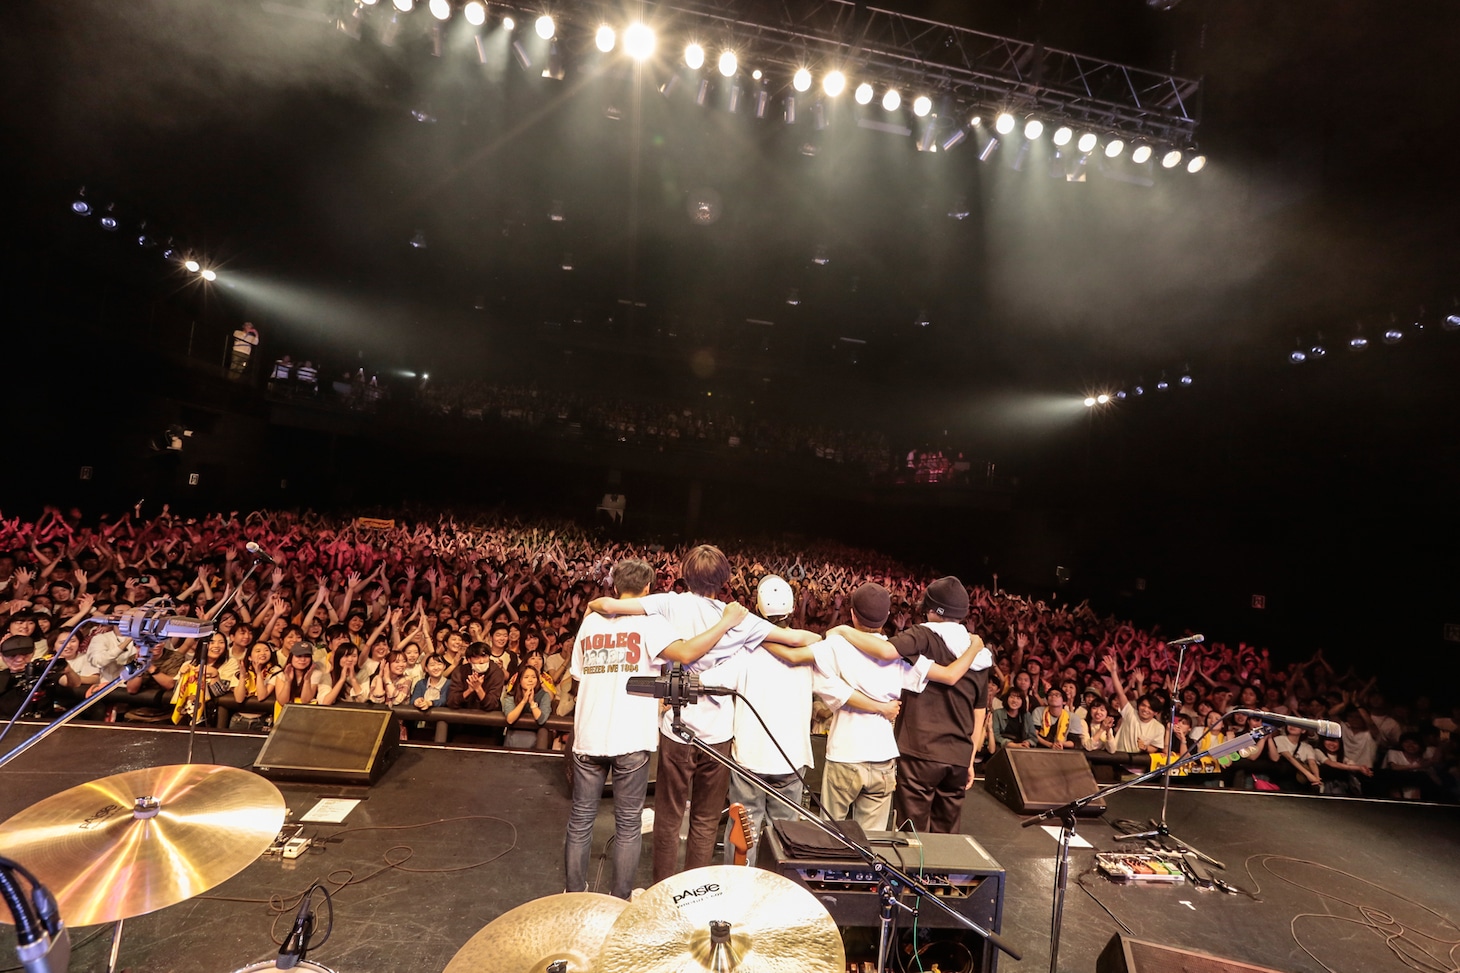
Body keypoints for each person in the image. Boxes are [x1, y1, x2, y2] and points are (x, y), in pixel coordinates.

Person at [585, 544, 819, 882]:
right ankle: (692, 889)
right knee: (706, 820)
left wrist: (594, 605)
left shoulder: (669, 602)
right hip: (718, 734)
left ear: (685, 574)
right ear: (724, 579)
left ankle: (663, 887)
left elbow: (608, 605)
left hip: (676, 729)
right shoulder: (739, 618)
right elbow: (797, 638)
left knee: (668, 816)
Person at [566, 558, 748, 900]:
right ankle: (620, 898)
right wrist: (725, 622)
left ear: (616, 586)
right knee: (628, 825)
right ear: (648, 588)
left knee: (580, 820)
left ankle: (573, 893)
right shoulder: (649, 623)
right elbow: (688, 651)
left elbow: (577, 674)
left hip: (587, 734)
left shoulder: (590, 623)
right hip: (630, 737)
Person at [827, 576, 992, 833]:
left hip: (919, 752)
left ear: (931, 608)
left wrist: (844, 629)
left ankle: (913, 876)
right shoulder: (980, 654)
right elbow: (979, 713)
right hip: (958, 755)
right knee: (947, 837)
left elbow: (884, 651)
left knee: (911, 835)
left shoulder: (923, 635)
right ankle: (941, 875)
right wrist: (969, 760)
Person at [700, 576, 818, 865]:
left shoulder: (745, 652)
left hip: (750, 758)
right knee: (786, 834)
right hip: (792, 759)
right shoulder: (811, 654)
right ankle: (781, 890)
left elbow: (706, 680)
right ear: (792, 610)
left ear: (756, 609)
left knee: (743, 829)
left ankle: (738, 888)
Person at [501, 665, 552, 749]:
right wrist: (524, 701)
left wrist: (532, 703)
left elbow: (541, 719)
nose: (530, 680)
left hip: (536, 734)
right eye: (526, 677)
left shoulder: (544, 695)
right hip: (514, 734)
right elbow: (510, 719)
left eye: (534, 677)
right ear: (520, 681)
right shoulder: (511, 695)